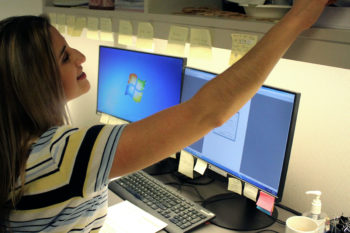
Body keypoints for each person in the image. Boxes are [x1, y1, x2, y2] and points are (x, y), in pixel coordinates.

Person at [0, 0, 334, 231]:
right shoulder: (62, 154)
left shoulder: (20, 148)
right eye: (63, 56)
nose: (80, 55)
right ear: (35, 81)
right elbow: (207, 114)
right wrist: (297, 18)